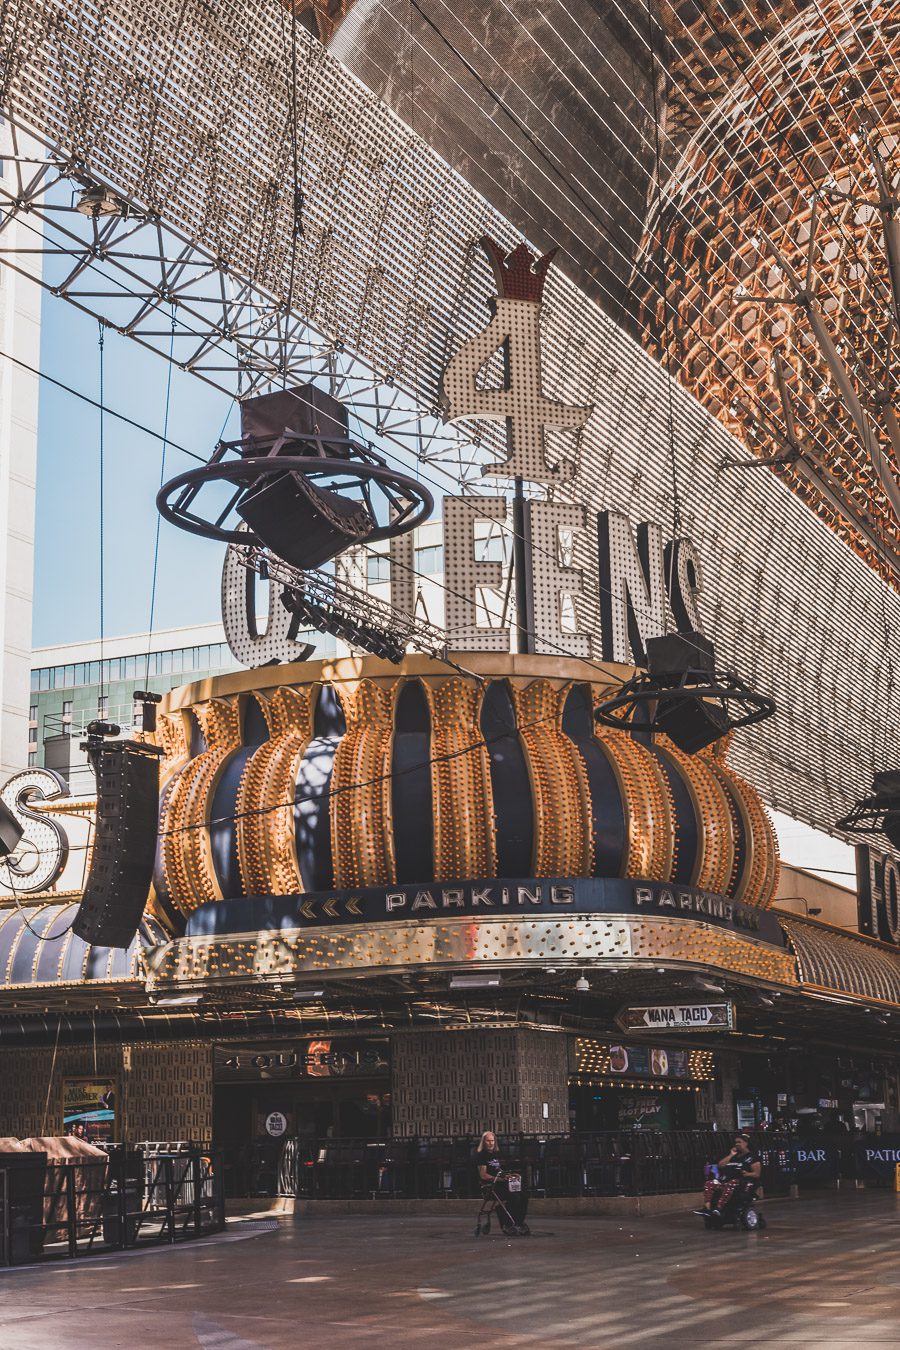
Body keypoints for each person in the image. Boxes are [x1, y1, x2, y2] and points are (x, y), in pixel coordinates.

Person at [475, 1130, 530, 1235]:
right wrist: (500, 1179)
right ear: (484, 1142)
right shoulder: (482, 1156)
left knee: (524, 1195)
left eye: (492, 1141)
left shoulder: (495, 1154)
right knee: (514, 1197)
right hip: (491, 1186)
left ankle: (518, 1222)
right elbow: (483, 1175)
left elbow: (499, 1171)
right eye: (488, 1141)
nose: (491, 1143)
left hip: (501, 1183)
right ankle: (507, 1223)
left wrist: (510, 1175)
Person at [694, 1132, 761, 1218]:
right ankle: (707, 1208)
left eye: (739, 1142)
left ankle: (718, 1208)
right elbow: (720, 1165)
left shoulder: (752, 1157)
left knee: (731, 1183)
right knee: (709, 1183)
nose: (737, 1144)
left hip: (742, 1183)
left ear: (746, 1143)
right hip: (726, 1181)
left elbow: (757, 1174)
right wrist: (731, 1155)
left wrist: (747, 1173)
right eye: (736, 1142)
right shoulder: (733, 1156)